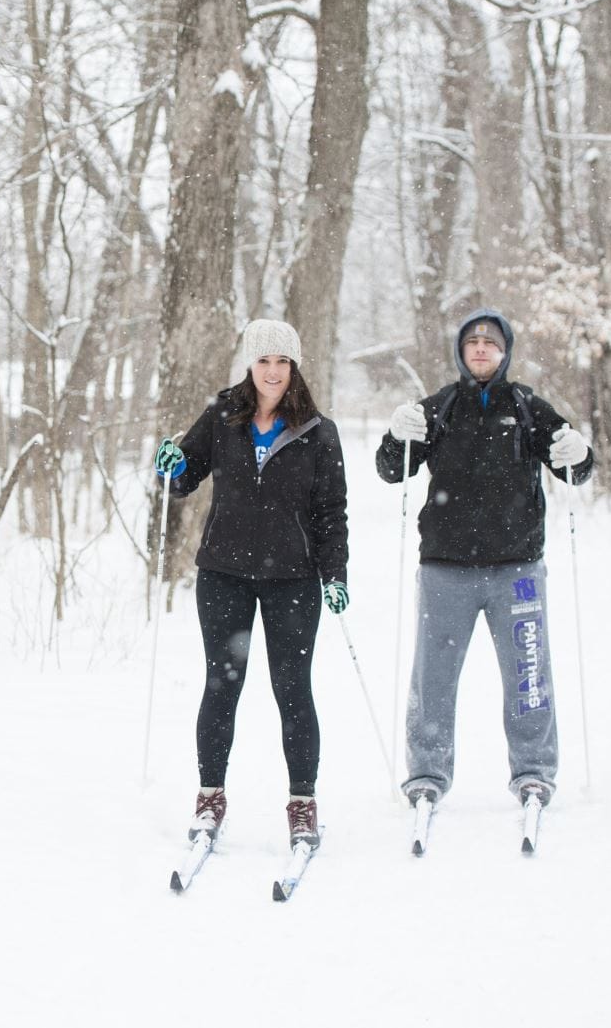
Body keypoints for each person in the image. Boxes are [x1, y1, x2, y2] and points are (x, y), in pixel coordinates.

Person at [376, 308, 594, 814]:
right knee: (433, 678)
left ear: (504, 352)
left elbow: (575, 470)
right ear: (460, 351)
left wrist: (578, 452)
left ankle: (534, 772)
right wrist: (396, 436)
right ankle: (427, 773)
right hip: (445, 571)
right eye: (472, 341)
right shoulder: (442, 407)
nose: (480, 348)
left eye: (490, 342)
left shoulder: (526, 407)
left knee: (528, 677)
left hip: (516, 570)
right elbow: (392, 470)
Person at [154, 319, 349, 849]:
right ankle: (210, 796)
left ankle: (302, 803)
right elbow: (184, 476)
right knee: (222, 686)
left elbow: (332, 512)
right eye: (263, 360)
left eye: (282, 361)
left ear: (294, 367)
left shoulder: (317, 430)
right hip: (225, 575)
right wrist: (168, 466)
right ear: (250, 363)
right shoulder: (223, 416)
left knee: (293, 689)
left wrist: (335, 575)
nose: (272, 371)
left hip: (294, 581)